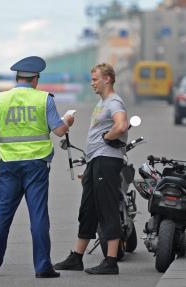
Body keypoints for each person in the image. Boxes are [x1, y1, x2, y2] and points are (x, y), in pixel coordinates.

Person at [0, 56, 74, 278]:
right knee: (38, 215)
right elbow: (59, 131)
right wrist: (68, 121)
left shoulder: (0, 99)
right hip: (37, 164)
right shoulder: (45, 100)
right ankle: (42, 267)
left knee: (1, 214)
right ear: (35, 79)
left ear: (17, 78)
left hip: (9, 165)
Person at [54, 63, 128, 275]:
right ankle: (77, 257)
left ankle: (111, 260)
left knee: (107, 207)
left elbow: (121, 125)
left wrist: (108, 136)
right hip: (95, 160)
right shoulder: (102, 102)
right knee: (88, 209)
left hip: (107, 160)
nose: (92, 83)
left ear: (108, 79)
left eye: (96, 79)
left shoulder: (114, 101)